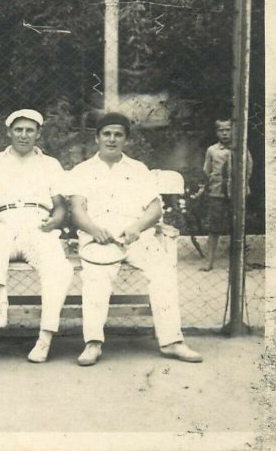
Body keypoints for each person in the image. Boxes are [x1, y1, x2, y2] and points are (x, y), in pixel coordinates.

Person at [68, 112, 202, 366]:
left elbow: (155, 209)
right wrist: (95, 230)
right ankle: (93, 343)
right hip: (100, 238)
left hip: (136, 237)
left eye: (118, 134)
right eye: (106, 133)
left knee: (162, 270)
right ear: (97, 138)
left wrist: (137, 227)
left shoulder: (138, 170)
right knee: (96, 277)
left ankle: (172, 341)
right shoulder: (82, 170)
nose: (112, 139)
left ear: (126, 139)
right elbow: (77, 210)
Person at [0, 109, 73, 363]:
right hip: (4, 219)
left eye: (30, 130)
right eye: (18, 129)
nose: (23, 135)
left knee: (59, 269)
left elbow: (60, 206)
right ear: (9, 132)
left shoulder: (51, 165)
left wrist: (55, 221)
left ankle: (45, 338)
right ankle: (0, 299)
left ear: (38, 133)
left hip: (37, 223)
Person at [201, 117, 253, 271]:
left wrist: (242, 184)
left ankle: (240, 262)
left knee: (238, 226)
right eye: (220, 130)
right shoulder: (212, 150)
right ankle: (209, 262)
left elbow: (248, 167)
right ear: (217, 132)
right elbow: (207, 169)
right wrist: (215, 182)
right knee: (214, 227)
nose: (224, 133)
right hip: (217, 193)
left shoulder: (241, 148)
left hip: (236, 193)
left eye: (227, 130)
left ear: (233, 130)